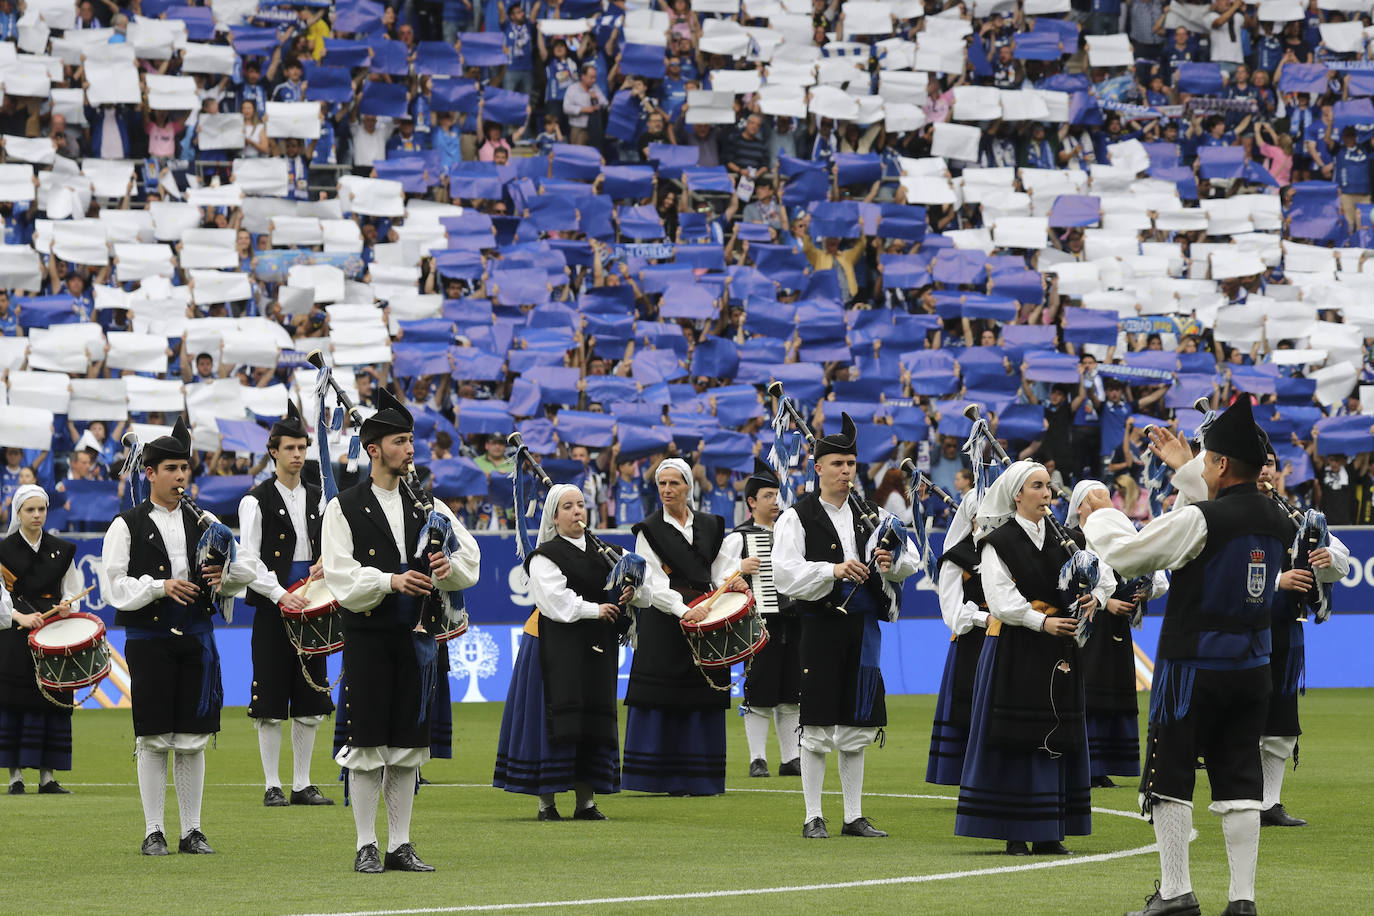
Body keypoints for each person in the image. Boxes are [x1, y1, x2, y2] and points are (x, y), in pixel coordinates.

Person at [1079, 398, 1296, 916]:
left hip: (1192, 670)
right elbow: (1229, 510)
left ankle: (1176, 892)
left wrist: (1101, 514)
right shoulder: (1278, 518)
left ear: (1220, 464)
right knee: (1241, 782)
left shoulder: (1201, 519)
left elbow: (1130, 553)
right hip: (1254, 668)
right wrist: (1187, 469)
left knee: (1170, 778)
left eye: (1207, 457)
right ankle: (1242, 900)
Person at [321, 388, 480, 873]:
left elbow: (470, 561)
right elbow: (340, 575)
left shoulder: (429, 505)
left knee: (408, 748)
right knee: (368, 746)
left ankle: (401, 844)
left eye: (412, 440)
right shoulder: (343, 507)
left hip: (417, 641)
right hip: (369, 640)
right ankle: (366, 843)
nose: (411, 449)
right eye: (400, 441)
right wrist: (390, 580)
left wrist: (444, 565)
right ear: (373, 449)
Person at [98, 418, 256, 856]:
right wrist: (159, 586)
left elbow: (246, 570)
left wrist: (224, 573)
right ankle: (153, 830)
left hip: (198, 636)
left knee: (191, 736)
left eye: (185, 468)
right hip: (149, 638)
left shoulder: (205, 522)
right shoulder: (125, 525)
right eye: (171, 468)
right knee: (152, 736)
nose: (181, 476)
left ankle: (192, 830)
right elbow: (113, 587)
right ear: (149, 473)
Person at [773, 413, 921, 839]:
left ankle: (853, 815)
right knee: (817, 724)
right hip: (819, 628)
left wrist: (892, 565)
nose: (845, 471)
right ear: (817, 468)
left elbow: (910, 560)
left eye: (851, 464)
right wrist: (833, 571)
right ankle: (812, 815)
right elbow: (785, 574)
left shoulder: (873, 514)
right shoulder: (796, 517)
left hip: (863, 631)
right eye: (837, 464)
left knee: (857, 725)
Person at [955, 460, 1111, 856]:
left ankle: (1049, 830)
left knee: (1056, 734)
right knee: (1017, 736)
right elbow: (1002, 600)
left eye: (1049, 487)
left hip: (1060, 649)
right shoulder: (999, 541)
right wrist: (1042, 623)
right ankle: (1015, 832)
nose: (1047, 494)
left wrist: (1097, 598)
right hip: (1018, 648)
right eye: (1038, 486)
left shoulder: (1066, 538)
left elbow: (1105, 574)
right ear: (1017, 495)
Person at [493, 484, 657, 819]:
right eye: (567, 506)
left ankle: (586, 802)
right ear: (554, 516)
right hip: (552, 647)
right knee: (553, 719)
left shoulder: (609, 552)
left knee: (591, 721)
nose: (577, 511)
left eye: (580, 505)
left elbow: (646, 587)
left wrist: (631, 592)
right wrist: (595, 610)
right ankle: (546, 803)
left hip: (595, 650)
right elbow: (554, 602)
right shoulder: (544, 557)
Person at [237, 402, 334, 808]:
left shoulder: (322, 498)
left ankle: (302, 782)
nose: (298, 454)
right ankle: (272, 783)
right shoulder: (254, 501)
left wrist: (327, 565)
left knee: (310, 698)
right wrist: (279, 593)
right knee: (271, 700)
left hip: (312, 605)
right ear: (273, 451)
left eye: (302, 447)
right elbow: (247, 559)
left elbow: (333, 548)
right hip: (274, 607)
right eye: (290, 448)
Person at [622, 457, 738, 796]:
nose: (668, 490)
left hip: (707, 617)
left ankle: (702, 778)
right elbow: (651, 582)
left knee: (703, 694)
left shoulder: (712, 524)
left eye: (674, 483)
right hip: (666, 618)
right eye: (662, 484)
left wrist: (728, 590)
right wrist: (682, 609)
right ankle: (661, 778)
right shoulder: (648, 530)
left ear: (688, 486)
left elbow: (721, 570)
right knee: (664, 693)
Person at [1256, 441, 1347, 828]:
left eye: (1271, 464)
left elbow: (1339, 558)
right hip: (1241, 630)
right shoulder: (1227, 511)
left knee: (1279, 722)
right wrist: (1278, 580)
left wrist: (1329, 559)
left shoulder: (1293, 513)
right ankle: (1243, 800)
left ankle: (1269, 804)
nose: (1265, 470)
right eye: (1258, 464)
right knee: (1243, 719)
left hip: (1285, 631)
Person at [1067, 480, 1169, 789]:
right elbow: (1065, 583)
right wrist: (1105, 602)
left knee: (1112, 690)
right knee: (1088, 691)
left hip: (1115, 627)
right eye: (1094, 494)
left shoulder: (1124, 536)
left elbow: (1156, 576)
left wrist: (1142, 592)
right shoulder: (1070, 539)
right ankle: (1085, 764)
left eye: (1105, 493)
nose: (1103, 497)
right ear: (1080, 506)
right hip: (1083, 625)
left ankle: (1105, 764)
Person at [716, 459, 800, 779]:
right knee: (759, 689)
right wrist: (739, 570)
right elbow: (717, 575)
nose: (775, 501)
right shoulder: (740, 538)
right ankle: (758, 757)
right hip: (758, 623)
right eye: (768, 496)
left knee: (792, 692)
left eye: (777, 495)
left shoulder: (792, 533)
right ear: (752, 502)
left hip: (793, 619)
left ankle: (791, 757)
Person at [0, 485, 84, 795]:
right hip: (14, 633)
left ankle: (48, 778)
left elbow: (73, 590)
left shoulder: (62, 549)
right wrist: (19, 617)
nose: (37, 515)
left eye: (42, 509)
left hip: (54, 633)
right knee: (14, 702)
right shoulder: (4, 550)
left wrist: (67, 607)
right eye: (30, 510)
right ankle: (15, 778)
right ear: (18, 513)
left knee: (53, 701)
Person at [926, 492, 988, 787]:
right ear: (973, 518)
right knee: (970, 706)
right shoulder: (957, 558)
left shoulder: (1010, 550)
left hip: (1010, 637)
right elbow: (953, 614)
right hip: (972, 642)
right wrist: (984, 617)